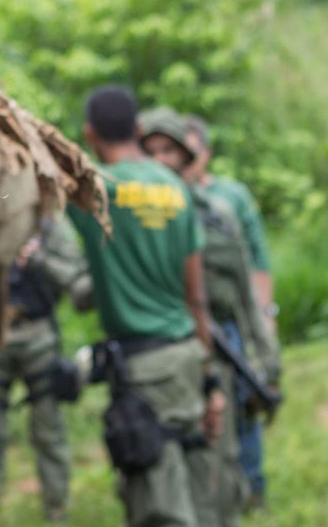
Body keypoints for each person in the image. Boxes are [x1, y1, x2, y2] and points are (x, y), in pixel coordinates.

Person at [66, 86, 223, 527]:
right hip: (187, 356)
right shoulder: (176, 187)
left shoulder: (95, 191)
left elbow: (46, 173)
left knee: (158, 506)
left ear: (91, 133)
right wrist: (210, 377)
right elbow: (196, 297)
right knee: (194, 485)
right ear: (138, 128)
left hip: (143, 370)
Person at [140, 108, 278, 526]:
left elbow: (245, 293)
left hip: (216, 347)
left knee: (221, 459)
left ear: (187, 157)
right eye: (152, 151)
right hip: (157, 354)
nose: (161, 160)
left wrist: (267, 356)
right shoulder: (133, 217)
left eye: (170, 150)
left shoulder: (218, 216)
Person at [0, 216, 93, 522]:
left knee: (48, 430)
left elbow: (77, 281)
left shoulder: (51, 226)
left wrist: (39, 259)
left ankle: (57, 511)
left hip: (38, 335)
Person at [181, 115, 279, 509]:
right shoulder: (169, 196)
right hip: (188, 327)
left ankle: (251, 486)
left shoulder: (230, 197)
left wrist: (264, 318)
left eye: (190, 152)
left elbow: (255, 261)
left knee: (245, 401)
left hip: (228, 321)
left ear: (205, 153)